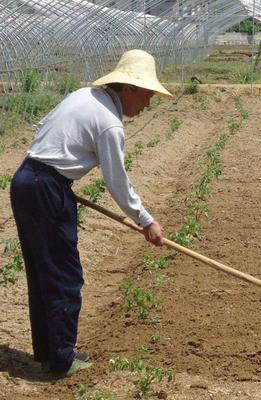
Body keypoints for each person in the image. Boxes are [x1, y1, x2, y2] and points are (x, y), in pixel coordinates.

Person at [9, 49, 171, 376]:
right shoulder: (110, 123)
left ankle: (50, 353)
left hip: (28, 179)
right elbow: (117, 182)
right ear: (128, 88)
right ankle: (61, 361)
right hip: (46, 187)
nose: (148, 103)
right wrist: (147, 221)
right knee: (63, 276)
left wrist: (57, 177)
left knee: (44, 274)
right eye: (147, 95)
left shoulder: (82, 95)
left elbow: (44, 128)